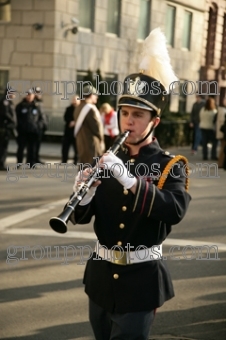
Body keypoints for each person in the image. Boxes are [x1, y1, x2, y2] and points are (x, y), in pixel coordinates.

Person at [69, 28, 191, 339]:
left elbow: (174, 210)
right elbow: (84, 217)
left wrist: (131, 180)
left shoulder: (170, 165)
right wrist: (83, 195)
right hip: (99, 279)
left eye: (138, 115)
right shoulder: (107, 157)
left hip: (140, 283)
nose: (129, 122)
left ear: (155, 121)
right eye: (125, 113)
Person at [74, 86, 104, 164]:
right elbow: (96, 127)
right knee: (93, 167)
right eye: (95, 95)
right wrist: (102, 140)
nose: (97, 97)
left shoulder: (78, 107)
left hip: (81, 141)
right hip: (91, 143)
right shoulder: (90, 108)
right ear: (91, 95)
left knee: (84, 166)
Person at [16, 89, 45, 167]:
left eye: (31, 95)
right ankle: (19, 163)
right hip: (23, 131)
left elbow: (42, 117)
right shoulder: (20, 106)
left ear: (33, 96)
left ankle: (31, 163)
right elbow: (16, 118)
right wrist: (20, 127)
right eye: (28, 95)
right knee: (21, 148)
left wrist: (38, 126)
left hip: (33, 131)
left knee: (32, 148)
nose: (29, 97)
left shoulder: (37, 106)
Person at [0, 88, 17, 170]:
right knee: (3, 147)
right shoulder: (5, 101)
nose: (14, 95)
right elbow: (5, 113)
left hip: (7, 128)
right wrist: (12, 120)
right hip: (3, 128)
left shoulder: (9, 102)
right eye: (13, 93)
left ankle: (2, 162)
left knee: (4, 147)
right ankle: (1, 163)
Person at [62, 96, 80, 164]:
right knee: (65, 147)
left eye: (76, 100)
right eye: (73, 100)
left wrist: (75, 122)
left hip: (77, 131)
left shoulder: (80, 109)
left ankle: (76, 160)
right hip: (68, 131)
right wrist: (70, 122)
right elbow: (65, 117)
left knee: (76, 148)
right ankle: (64, 160)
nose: (74, 101)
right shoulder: (68, 108)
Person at [33, 87, 48, 164]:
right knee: (33, 145)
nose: (39, 94)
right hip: (35, 128)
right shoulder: (33, 103)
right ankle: (32, 159)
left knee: (38, 144)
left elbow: (42, 115)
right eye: (37, 92)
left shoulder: (40, 102)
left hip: (41, 127)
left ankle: (36, 158)